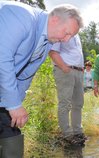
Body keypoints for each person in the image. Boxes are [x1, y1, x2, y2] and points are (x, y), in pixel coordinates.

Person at [0, 1, 83, 157]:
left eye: (71, 36)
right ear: (55, 19)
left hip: (3, 91)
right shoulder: (21, 16)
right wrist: (13, 104)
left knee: (11, 135)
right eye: (67, 33)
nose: (66, 40)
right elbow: (2, 59)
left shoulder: (46, 43)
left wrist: (16, 102)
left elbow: (25, 75)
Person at [49, 34, 87, 145]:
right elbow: (52, 52)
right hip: (65, 70)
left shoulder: (77, 34)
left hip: (78, 71)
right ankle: (67, 134)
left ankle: (77, 132)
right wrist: (65, 68)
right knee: (65, 103)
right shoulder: (61, 30)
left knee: (78, 103)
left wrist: (81, 69)